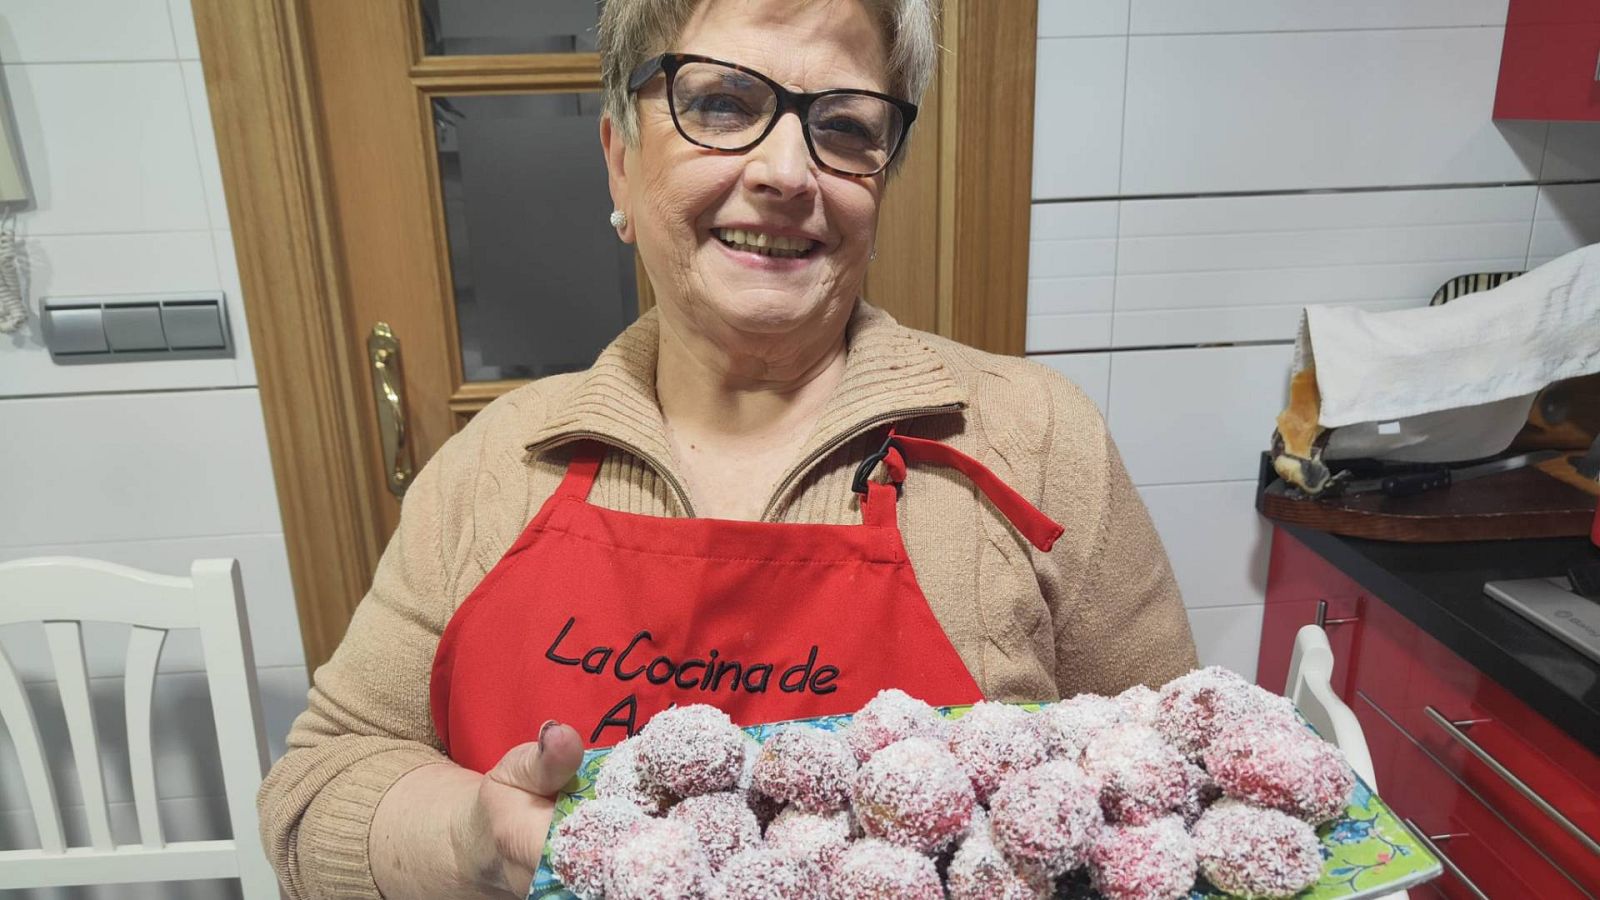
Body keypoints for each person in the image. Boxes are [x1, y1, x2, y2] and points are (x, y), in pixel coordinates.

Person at [257, 1, 1198, 897]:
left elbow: (1172, 789)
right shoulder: (495, 464)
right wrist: (477, 840)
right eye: (720, 103)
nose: (788, 172)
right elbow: (316, 797)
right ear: (619, 158)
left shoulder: (1034, 439)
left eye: (844, 125)